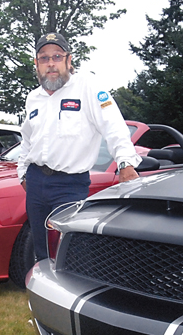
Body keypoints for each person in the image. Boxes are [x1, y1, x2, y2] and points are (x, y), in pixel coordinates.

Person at [17, 32, 141, 262]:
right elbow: (27, 141)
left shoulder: (87, 86)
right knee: (41, 249)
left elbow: (113, 125)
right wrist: (22, 174)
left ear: (68, 60)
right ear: (36, 64)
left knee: (71, 252)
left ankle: (68, 296)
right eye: (44, 58)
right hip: (35, 183)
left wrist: (125, 162)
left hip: (69, 185)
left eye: (57, 56)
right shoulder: (33, 98)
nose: (51, 63)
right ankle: (41, 294)